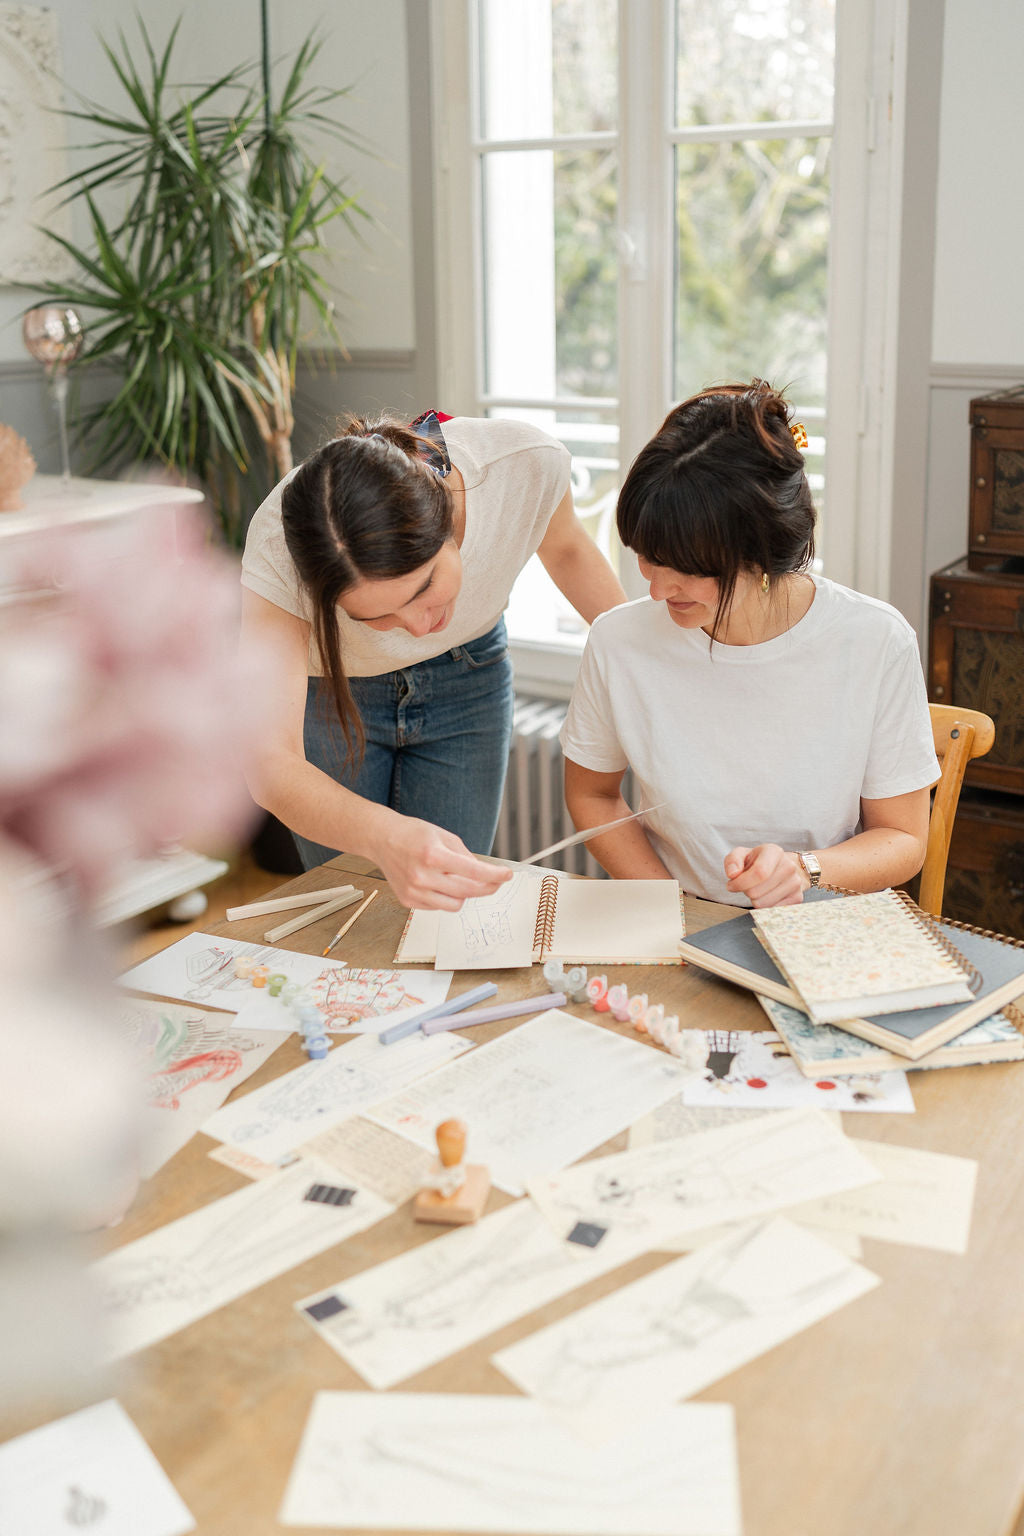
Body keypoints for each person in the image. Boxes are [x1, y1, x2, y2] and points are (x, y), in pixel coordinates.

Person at [560, 380, 940, 907]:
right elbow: (592, 794)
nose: (656, 589)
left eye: (688, 570)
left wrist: (802, 871)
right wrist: (671, 908)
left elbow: (903, 841)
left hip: (820, 930)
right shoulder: (619, 641)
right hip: (676, 924)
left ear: (762, 556)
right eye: (647, 556)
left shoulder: (874, 641)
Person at [240, 410, 626, 910]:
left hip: (470, 676)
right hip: (334, 695)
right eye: (375, 617)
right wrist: (384, 837)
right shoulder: (278, 543)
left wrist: (640, 671)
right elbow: (270, 766)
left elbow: (568, 548)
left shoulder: (520, 464)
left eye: (425, 588)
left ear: (448, 519)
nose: (420, 627)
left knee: (447, 911)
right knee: (356, 906)